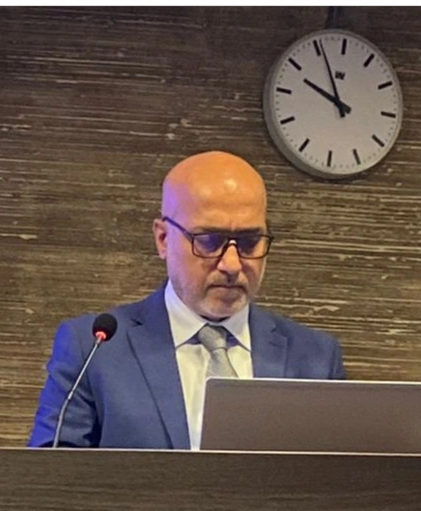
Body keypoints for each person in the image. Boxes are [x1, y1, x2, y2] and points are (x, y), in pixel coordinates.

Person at [28, 150, 345, 449]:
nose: (232, 264)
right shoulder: (94, 348)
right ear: (163, 239)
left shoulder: (315, 358)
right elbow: (51, 475)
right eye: (209, 241)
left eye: (249, 242)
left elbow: (341, 479)